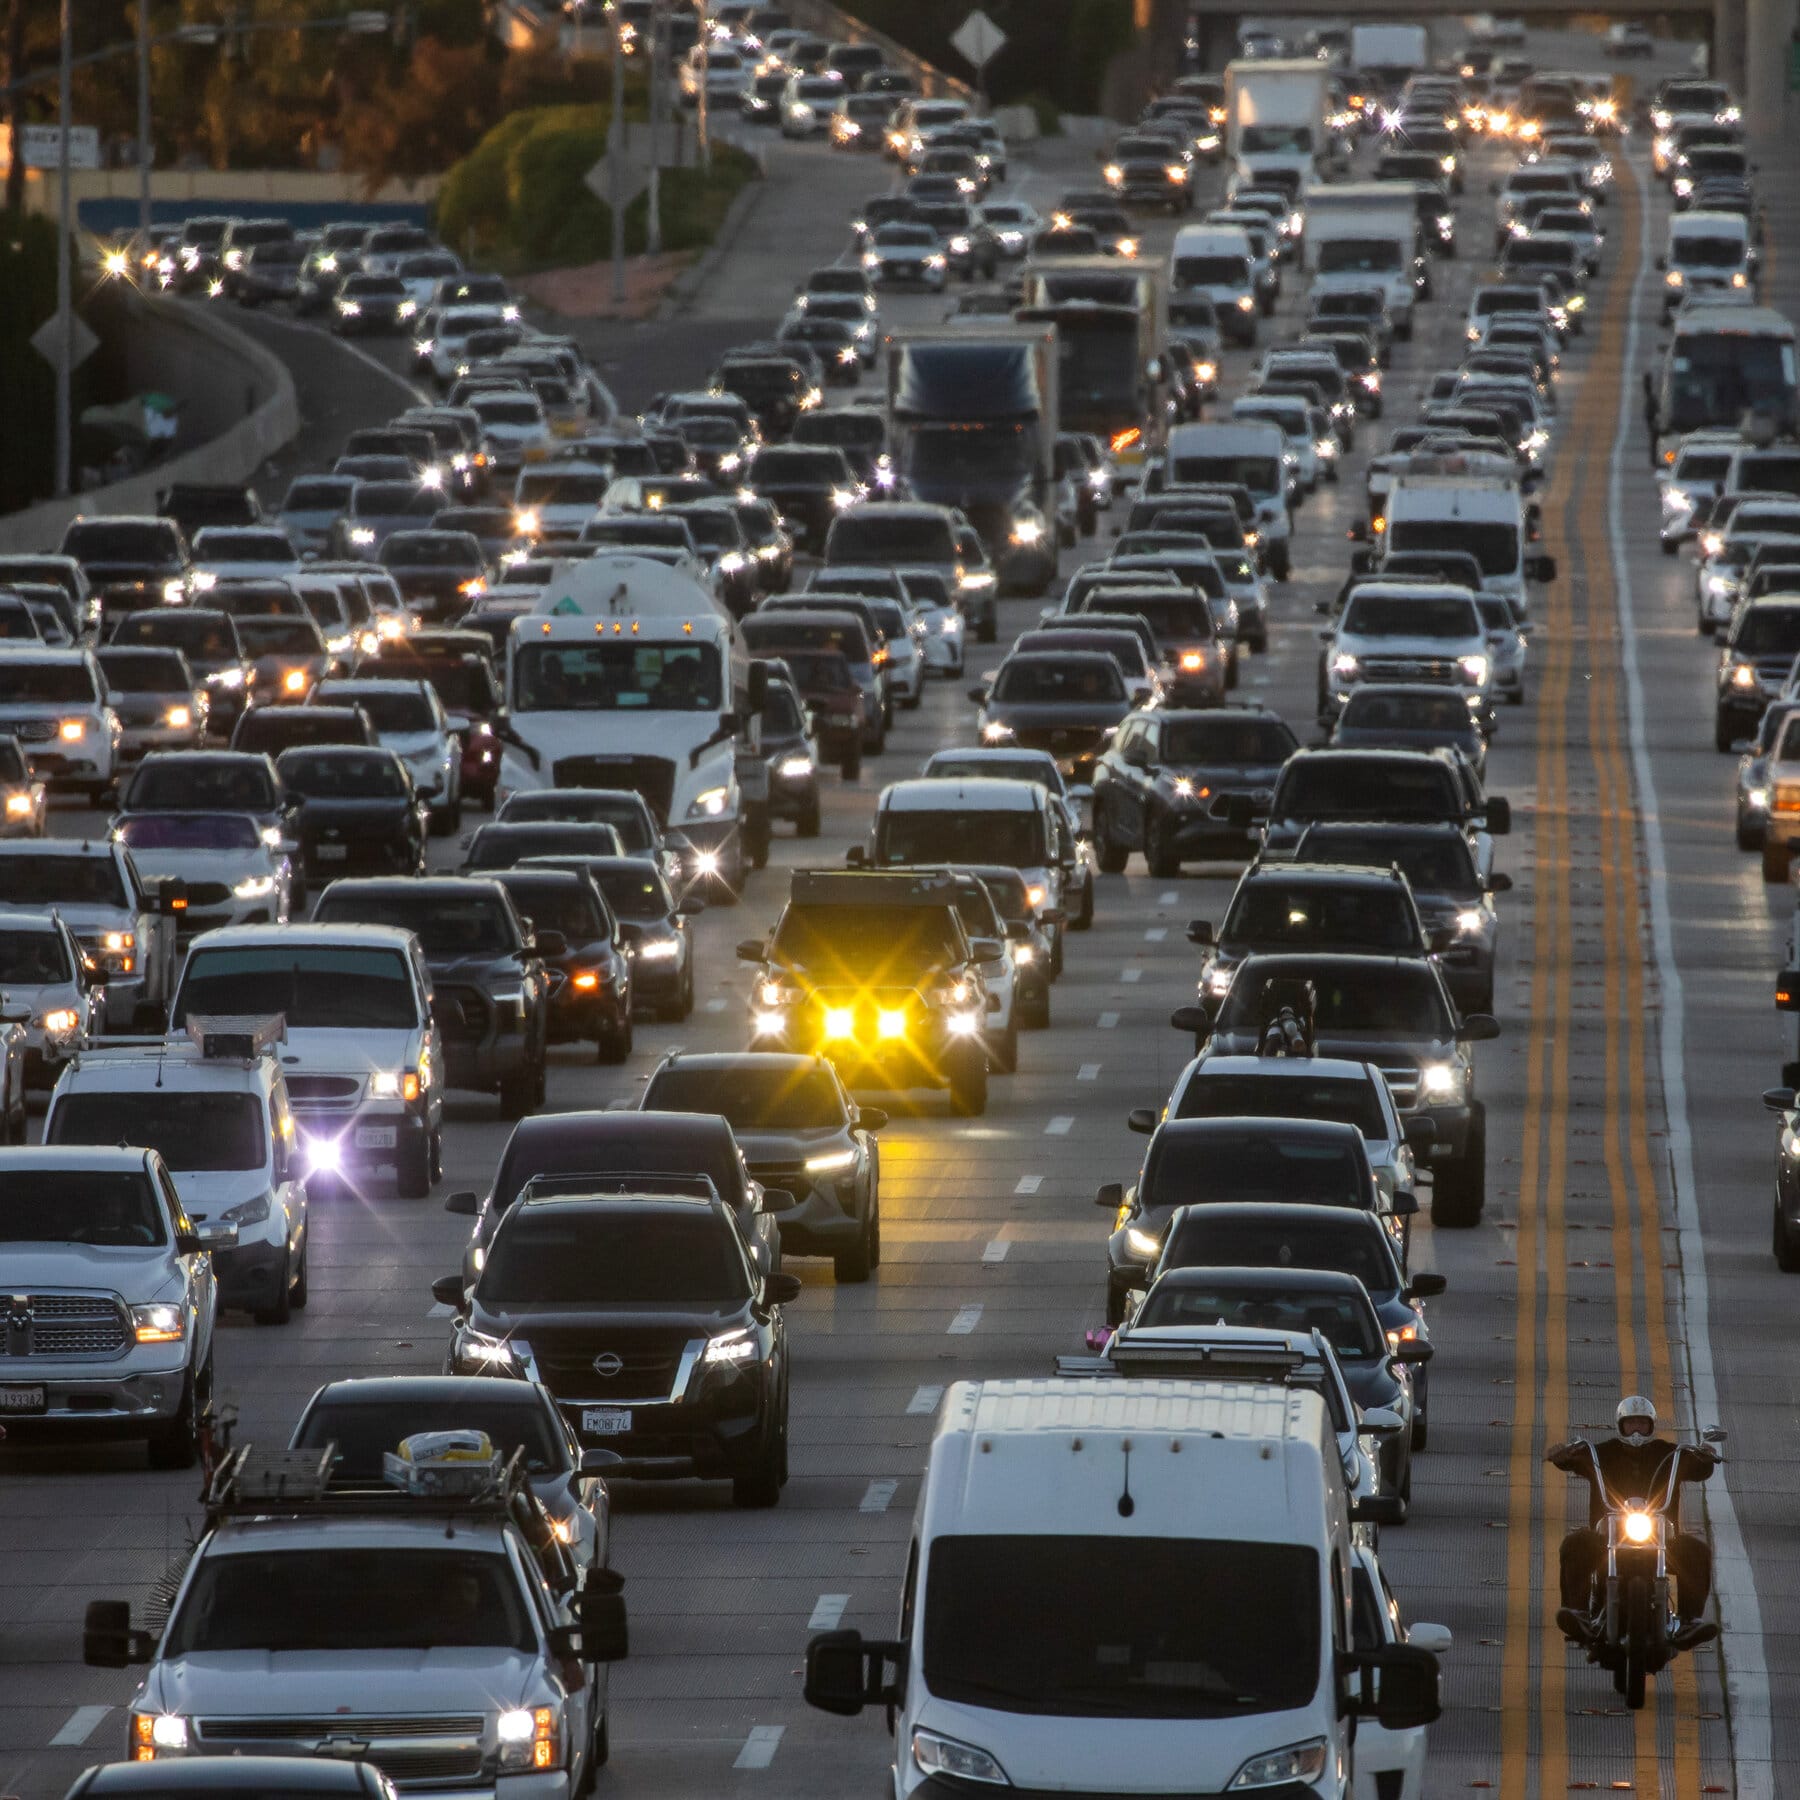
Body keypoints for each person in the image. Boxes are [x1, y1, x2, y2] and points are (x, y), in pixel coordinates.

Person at [1548, 1395, 1720, 1652]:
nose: (1637, 1429)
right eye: (1631, 1424)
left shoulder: (1671, 1454)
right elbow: (1570, 1460)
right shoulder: (1600, 1453)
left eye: (1642, 1423)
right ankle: (1579, 1614)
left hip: (1661, 1538)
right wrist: (1560, 1454)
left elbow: (1700, 1469)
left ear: (1651, 1425)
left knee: (1697, 1550)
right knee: (1575, 1544)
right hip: (1606, 1539)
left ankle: (1689, 1621)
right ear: (1620, 1425)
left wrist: (1706, 1455)